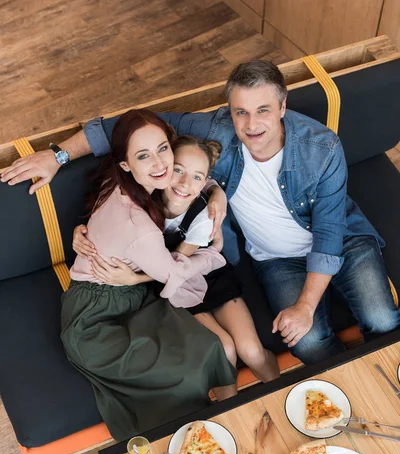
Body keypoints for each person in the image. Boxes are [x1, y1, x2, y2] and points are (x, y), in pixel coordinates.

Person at [4, 60, 399, 365]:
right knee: (309, 343)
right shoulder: (216, 129)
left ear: (282, 105)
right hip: (277, 260)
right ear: (229, 110)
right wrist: (57, 156)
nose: (251, 124)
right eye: (240, 111)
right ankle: (340, 397)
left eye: (263, 110)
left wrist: (306, 306)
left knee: (382, 320)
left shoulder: (322, 147)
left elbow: (329, 235)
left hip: (344, 242)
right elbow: (124, 128)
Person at [60, 109, 237, 441]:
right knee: (184, 369)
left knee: (207, 346)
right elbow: (175, 278)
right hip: (97, 322)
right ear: (126, 164)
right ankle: (186, 442)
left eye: (162, 149)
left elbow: (190, 174)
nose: (160, 164)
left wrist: (216, 192)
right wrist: (213, 254)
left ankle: (224, 426)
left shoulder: (132, 180)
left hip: (128, 297)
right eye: (144, 155)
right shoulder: (141, 226)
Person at [73, 134, 280, 399]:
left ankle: (281, 393)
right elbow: (110, 220)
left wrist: (134, 279)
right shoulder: (141, 199)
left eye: (196, 177)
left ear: (205, 182)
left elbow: (176, 265)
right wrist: (80, 232)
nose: (184, 183)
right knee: (224, 350)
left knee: (250, 350)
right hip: (176, 289)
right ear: (166, 168)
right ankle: (230, 417)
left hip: (202, 273)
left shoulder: (203, 215)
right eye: (178, 171)